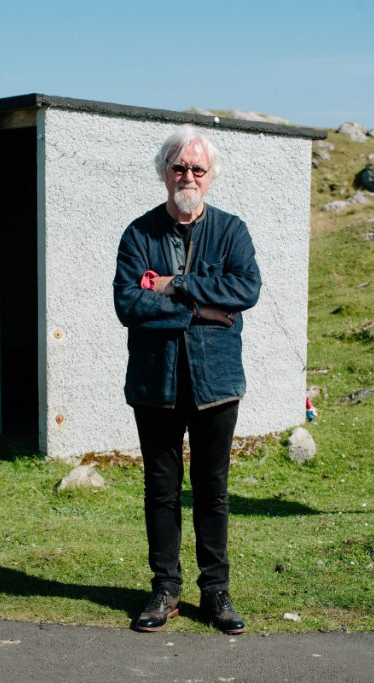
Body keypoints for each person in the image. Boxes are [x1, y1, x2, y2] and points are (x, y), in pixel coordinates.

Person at [113, 125, 262, 634]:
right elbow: (129, 303)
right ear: (164, 172)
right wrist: (201, 310)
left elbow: (246, 290)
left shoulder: (232, 231)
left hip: (215, 383)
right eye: (179, 167)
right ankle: (165, 590)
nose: (188, 176)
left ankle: (215, 591)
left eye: (198, 168)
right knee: (161, 490)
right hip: (155, 384)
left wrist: (174, 285)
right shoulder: (138, 234)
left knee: (212, 490)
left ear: (210, 175)